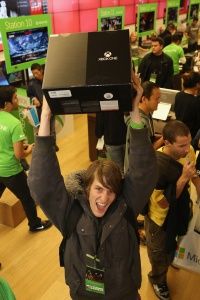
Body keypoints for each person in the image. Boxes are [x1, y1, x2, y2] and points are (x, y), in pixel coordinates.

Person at [28, 73, 157, 300]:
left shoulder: (125, 206)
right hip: (83, 294)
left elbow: (143, 171)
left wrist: (135, 108)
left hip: (123, 294)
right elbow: (42, 182)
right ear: (87, 188)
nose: (105, 198)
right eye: (99, 189)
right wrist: (46, 114)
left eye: (111, 191)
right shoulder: (70, 211)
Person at [145, 120, 200, 300]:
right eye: (182, 145)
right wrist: (183, 178)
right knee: (159, 252)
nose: (187, 149)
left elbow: (195, 174)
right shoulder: (156, 165)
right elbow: (163, 203)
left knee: (177, 239)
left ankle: (171, 257)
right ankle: (157, 279)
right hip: (160, 219)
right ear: (167, 143)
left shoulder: (189, 150)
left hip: (182, 208)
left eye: (189, 142)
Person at [0, 85, 52, 232]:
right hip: (11, 171)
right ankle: (35, 224)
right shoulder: (13, 123)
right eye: (15, 98)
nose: (17, 100)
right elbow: (19, 155)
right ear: (6, 104)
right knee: (28, 197)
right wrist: (29, 149)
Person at [124, 81, 164, 173]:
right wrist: (164, 138)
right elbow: (147, 150)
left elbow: (149, 137)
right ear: (144, 99)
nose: (159, 101)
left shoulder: (148, 114)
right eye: (156, 99)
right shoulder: (140, 122)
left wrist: (159, 137)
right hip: (136, 171)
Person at [27, 63, 59, 151]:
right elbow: (29, 94)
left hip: (51, 109)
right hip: (40, 111)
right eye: (33, 74)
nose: (35, 75)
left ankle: (53, 146)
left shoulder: (49, 80)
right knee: (41, 129)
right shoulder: (32, 83)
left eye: (36, 73)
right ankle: (44, 148)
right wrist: (33, 99)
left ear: (41, 70)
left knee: (52, 129)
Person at [95, 111, 127, 175]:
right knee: (130, 168)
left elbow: (100, 121)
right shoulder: (124, 101)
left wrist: (98, 134)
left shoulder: (103, 103)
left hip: (111, 140)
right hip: (127, 138)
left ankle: (121, 184)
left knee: (119, 171)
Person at [174, 71, 200, 139]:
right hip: (190, 135)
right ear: (197, 84)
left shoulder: (178, 95)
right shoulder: (196, 101)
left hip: (178, 131)